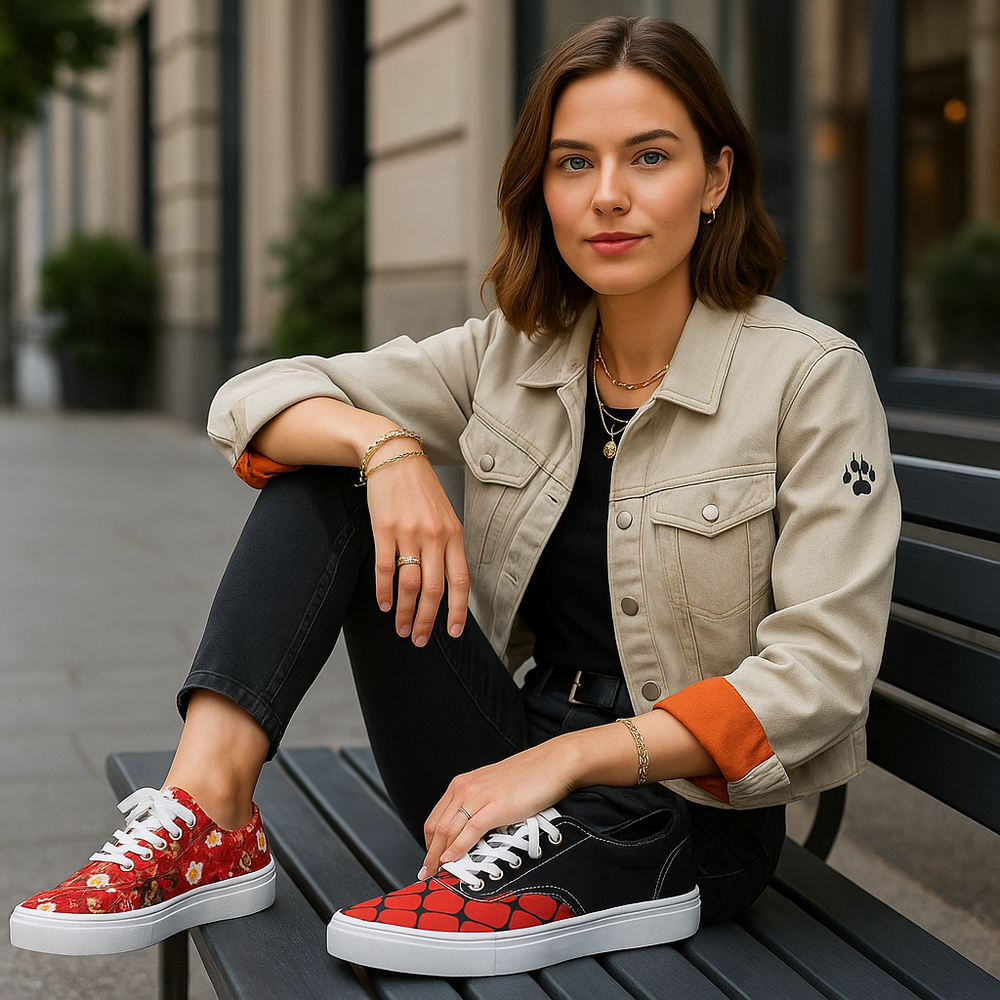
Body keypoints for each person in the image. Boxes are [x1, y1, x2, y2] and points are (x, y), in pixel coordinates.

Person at [10, 16, 900, 978]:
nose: (608, 196)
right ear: (542, 189)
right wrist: (386, 448)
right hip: (495, 761)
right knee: (330, 475)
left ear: (717, 179)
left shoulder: (809, 378)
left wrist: (568, 761)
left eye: (649, 157)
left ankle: (521, 864)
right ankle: (209, 811)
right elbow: (251, 398)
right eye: (573, 163)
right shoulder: (514, 356)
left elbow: (821, 670)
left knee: (420, 925)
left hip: (685, 808)